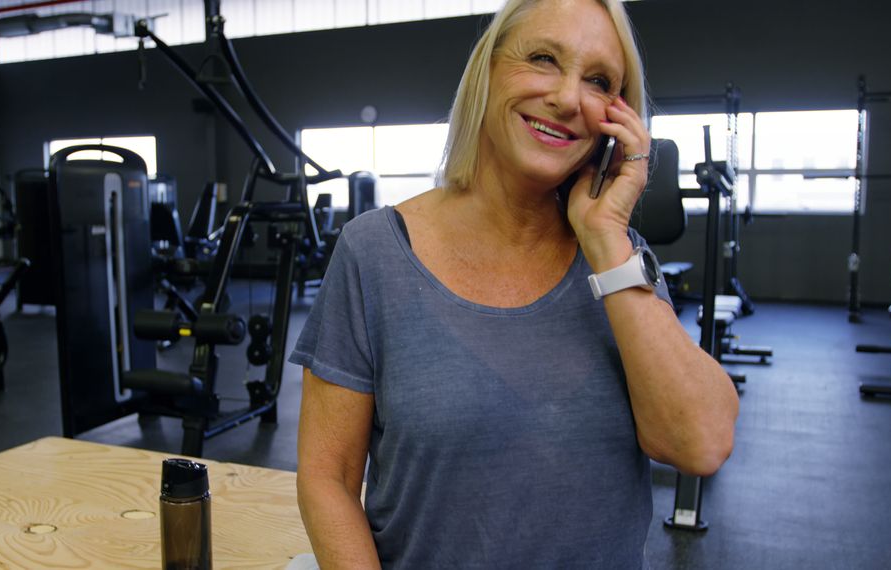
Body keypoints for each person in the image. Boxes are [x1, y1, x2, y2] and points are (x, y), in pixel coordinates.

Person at [288, 0, 740, 567]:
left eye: (598, 80)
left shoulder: (620, 265)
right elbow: (329, 478)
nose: (569, 98)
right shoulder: (372, 253)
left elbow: (699, 443)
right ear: (489, 70)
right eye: (544, 58)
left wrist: (604, 239)